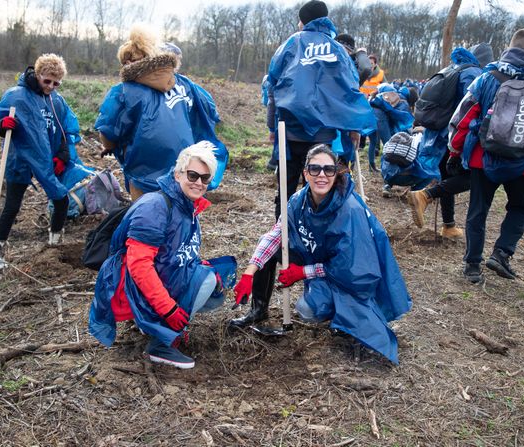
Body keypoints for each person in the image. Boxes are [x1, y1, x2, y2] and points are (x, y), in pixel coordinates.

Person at [229, 0, 375, 329]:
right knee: (305, 206)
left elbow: (273, 85)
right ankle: (270, 289)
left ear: (301, 21)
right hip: (325, 137)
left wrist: (271, 127)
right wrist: (353, 125)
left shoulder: (292, 44)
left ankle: (326, 284)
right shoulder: (338, 49)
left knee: (292, 201)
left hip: (292, 135)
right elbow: (351, 86)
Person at [232, 145, 411, 363]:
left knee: (308, 310)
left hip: (352, 276)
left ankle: (340, 318)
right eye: (315, 169)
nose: (322, 175)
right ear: (305, 173)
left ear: (336, 174)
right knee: (273, 249)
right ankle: (258, 309)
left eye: (328, 170)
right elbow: (276, 234)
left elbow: (350, 266)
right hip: (320, 259)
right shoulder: (298, 200)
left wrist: (303, 272)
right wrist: (250, 272)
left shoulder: (350, 211)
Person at [89, 142, 233, 369]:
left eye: (204, 179)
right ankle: (161, 342)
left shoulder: (186, 205)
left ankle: (153, 324)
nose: (198, 183)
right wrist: (169, 309)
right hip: (127, 286)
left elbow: (178, 252)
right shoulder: (155, 207)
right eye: (193, 175)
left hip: (158, 276)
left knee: (213, 273)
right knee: (203, 280)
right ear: (177, 174)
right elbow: (139, 266)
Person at [448, 29, 524, 283]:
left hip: (484, 156)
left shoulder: (486, 78)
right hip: (523, 162)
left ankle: (472, 266)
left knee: (477, 210)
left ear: (508, 47)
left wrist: (455, 148)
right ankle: (501, 253)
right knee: (519, 208)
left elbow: (465, 115)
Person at [96, 30, 227, 201]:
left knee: (146, 215)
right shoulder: (183, 83)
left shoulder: (125, 90)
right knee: (180, 213)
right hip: (184, 166)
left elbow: (107, 130)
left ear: (128, 63)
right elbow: (208, 107)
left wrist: (109, 146)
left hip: (143, 170)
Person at [0, 53, 80, 269]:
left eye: (56, 83)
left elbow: (63, 130)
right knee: (12, 205)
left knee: (61, 199)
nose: (50, 86)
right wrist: (3, 124)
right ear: (37, 74)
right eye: (46, 81)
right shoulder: (17, 96)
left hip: (45, 159)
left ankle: (54, 243)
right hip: (19, 156)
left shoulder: (56, 101)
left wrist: (62, 155)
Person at [406, 44, 493, 238]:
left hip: (438, 133)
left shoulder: (453, 68)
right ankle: (425, 196)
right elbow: (469, 108)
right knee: (472, 177)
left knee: (447, 176)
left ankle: (448, 225)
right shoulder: (474, 74)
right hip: (455, 134)